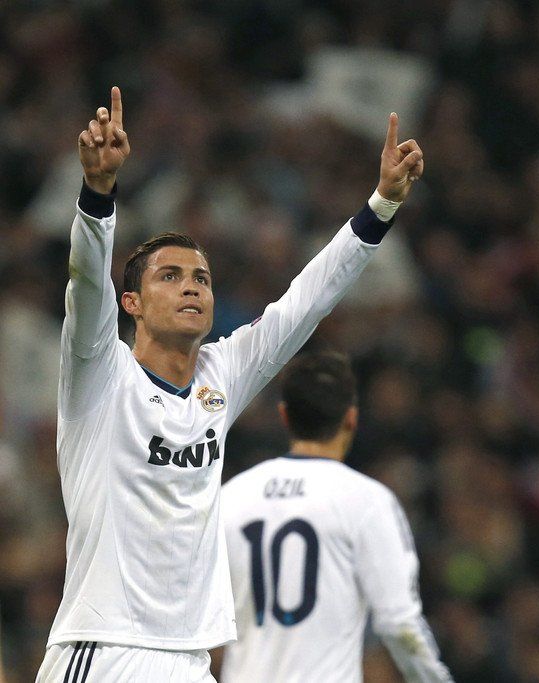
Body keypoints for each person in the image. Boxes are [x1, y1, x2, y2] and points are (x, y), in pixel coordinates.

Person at [36, 87, 424, 682]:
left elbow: (307, 302)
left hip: (189, 657)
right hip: (103, 648)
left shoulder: (221, 375)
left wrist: (382, 205)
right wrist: (98, 193)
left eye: (201, 278)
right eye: (171, 276)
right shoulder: (98, 373)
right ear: (132, 303)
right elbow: (86, 285)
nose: (192, 286)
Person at [216, 350, 452, 682]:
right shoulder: (367, 500)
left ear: (285, 416)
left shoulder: (231, 497)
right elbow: (399, 624)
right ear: (351, 418)